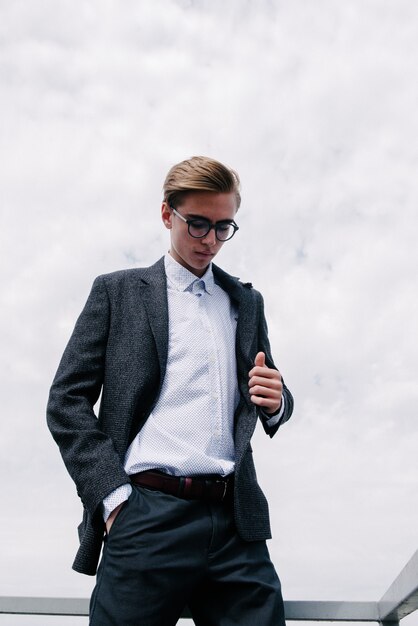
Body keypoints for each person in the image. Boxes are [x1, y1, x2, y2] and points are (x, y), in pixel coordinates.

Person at [47, 156, 294, 626]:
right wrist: (113, 499)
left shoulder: (246, 302)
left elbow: (270, 387)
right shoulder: (116, 292)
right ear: (167, 215)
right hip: (146, 517)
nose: (210, 241)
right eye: (198, 224)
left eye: (224, 228)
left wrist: (278, 400)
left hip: (235, 524)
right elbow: (66, 402)